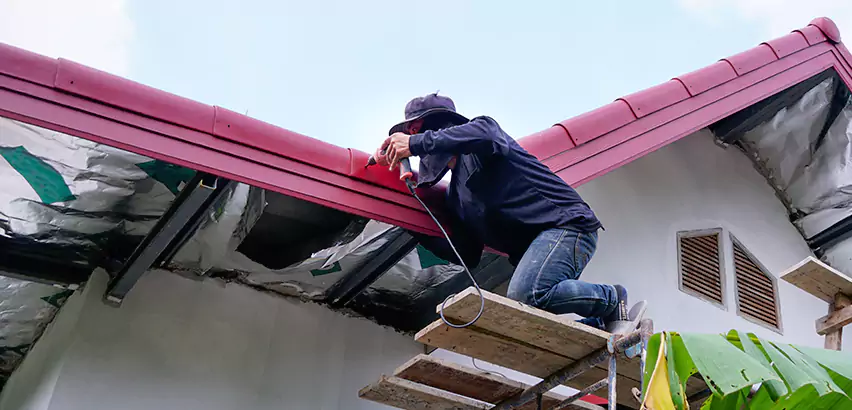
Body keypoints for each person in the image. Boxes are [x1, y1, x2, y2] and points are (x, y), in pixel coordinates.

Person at [375, 93, 639, 333]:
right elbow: (466, 252)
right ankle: (599, 323)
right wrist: (405, 220)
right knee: (530, 314)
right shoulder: (456, 197)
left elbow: (485, 133)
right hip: (543, 246)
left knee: (527, 294)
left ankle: (612, 299)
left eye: (423, 133)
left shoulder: (483, 142)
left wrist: (416, 142)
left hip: (567, 227)